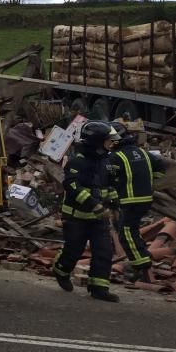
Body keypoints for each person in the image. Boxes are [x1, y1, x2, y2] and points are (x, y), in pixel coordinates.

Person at [53, 121, 121, 302]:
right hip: (77, 217)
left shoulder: (106, 161)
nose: (111, 143)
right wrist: (94, 204)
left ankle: (99, 288)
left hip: (99, 218)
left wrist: (114, 202)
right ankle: (61, 270)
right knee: (73, 250)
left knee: (104, 251)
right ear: (97, 141)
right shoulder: (77, 161)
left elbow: (109, 185)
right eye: (108, 140)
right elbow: (73, 186)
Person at [109, 121, 166, 283]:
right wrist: (151, 182)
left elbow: (108, 178)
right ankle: (141, 259)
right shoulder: (142, 152)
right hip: (145, 199)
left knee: (125, 233)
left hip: (129, 200)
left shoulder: (115, 157)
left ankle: (140, 265)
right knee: (131, 230)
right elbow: (160, 167)